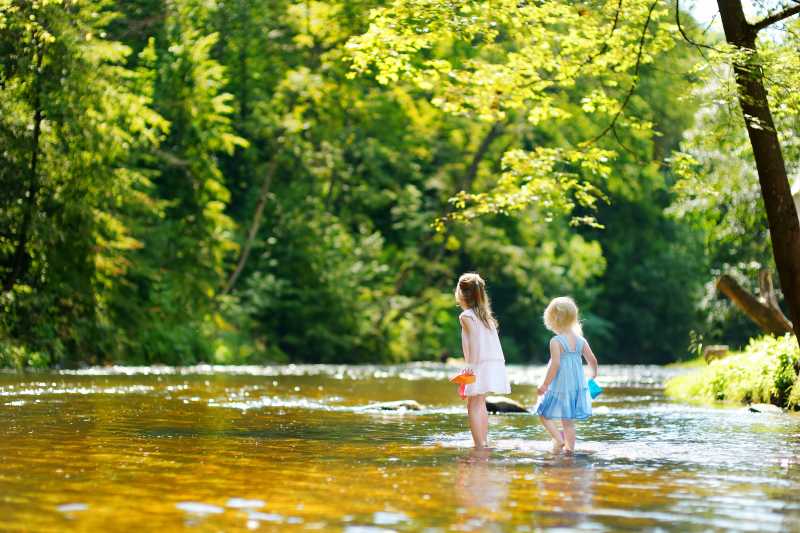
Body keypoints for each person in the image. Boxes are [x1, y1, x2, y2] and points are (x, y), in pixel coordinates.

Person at [536, 296, 599, 454]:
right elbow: (593, 360)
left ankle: (559, 439)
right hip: (575, 387)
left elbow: (555, 364)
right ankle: (569, 450)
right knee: (568, 421)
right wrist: (593, 375)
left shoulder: (556, 341)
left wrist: (544, 384)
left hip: (559, 386)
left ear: (554, 320)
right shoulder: (581, 341)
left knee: (543, 414)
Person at [455, 273, 511, 449]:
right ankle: (483, 441)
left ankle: (478, 444)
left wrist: (470, 366)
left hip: (479, 362)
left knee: (473, 403)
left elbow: (473, 342)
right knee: (480, 403)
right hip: (493, 361)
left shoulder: (466, 316)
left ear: (461, 293)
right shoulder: (485, 316)